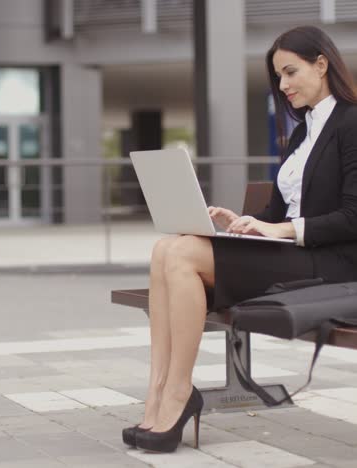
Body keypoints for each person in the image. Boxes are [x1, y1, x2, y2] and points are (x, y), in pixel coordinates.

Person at [122, 25, 357, 453]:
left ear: (321, 65)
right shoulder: (305, 130)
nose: (282, 86)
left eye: (290, 72)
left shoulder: (352, 122)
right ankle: (158, 390)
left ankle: (177, 394)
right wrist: (248, 220)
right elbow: (283, 210)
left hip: (333, 264)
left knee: (183, 256)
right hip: (299, 253)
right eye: (278, 77)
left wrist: (280, 229)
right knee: (166, 248)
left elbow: (352, 217)